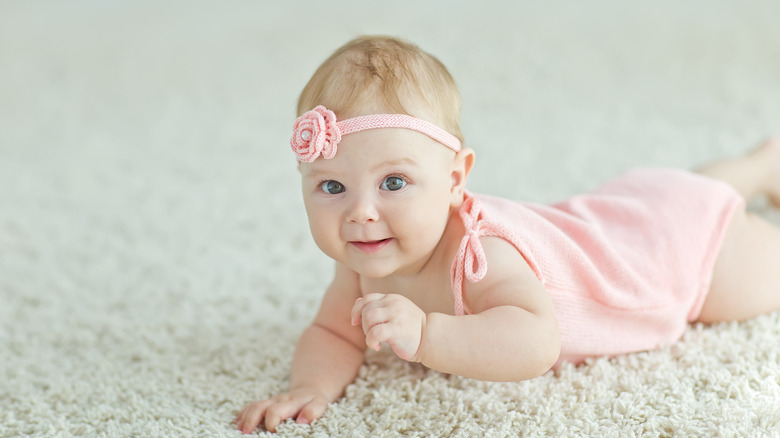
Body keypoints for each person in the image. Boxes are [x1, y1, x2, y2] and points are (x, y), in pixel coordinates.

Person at [236, 35, 780, 434]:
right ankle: (759, 166)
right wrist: (308, 388)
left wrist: (428, 335)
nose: (360, 212)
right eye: (331, 186)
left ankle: (753, 175)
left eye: (394, 182)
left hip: (674, 257)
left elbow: (535, 341)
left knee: (748, 258)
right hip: (633, 207)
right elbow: (334, 333)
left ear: (454, 180)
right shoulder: (361, 256)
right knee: (681, 190)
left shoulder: (480, 253)